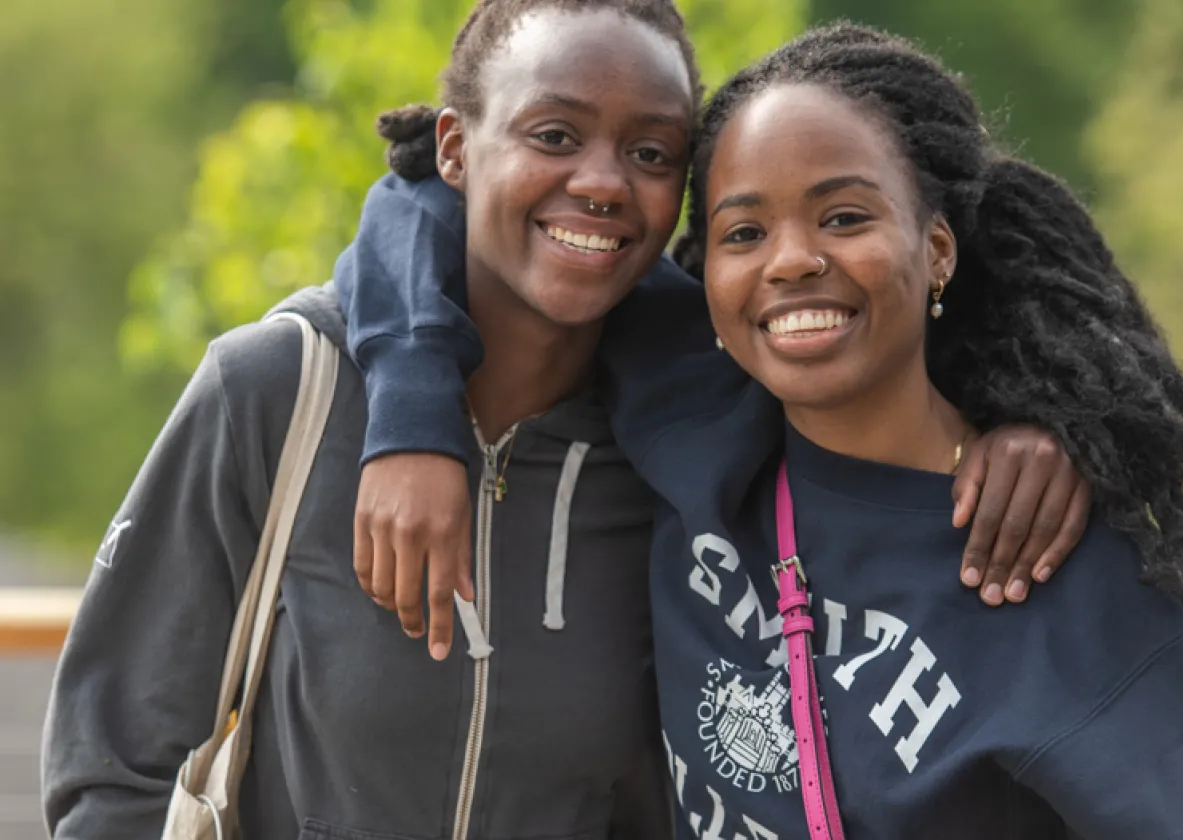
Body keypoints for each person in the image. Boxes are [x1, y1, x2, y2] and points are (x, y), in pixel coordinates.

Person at [334, 20, 1183, 839]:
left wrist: (1043, 428)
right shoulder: (691, 399)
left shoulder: (1064, 568)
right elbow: (425, 198)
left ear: (937, 247)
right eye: (742, 233)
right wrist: (415, 414)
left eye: (844, 217)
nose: (793, 261)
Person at [43, 2, 700, 838]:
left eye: (651, 153)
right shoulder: (279, 389)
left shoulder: (679, 447)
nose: (605, 182)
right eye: (555, 136)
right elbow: (112, 765)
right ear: (455, 148)